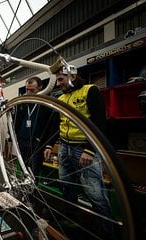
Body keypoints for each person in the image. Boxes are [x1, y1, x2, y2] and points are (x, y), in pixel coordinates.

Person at [43, 63, 113, 237]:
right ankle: (70, 219)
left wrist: (90, 150)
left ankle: (107, 232)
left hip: (83, 149)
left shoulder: (90, 90)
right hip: (65, 147)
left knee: (95, 193)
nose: (58, 83)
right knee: (67, 187)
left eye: (61, 79)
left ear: (72, 76)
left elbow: (100, 122)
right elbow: (55, 124)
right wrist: (50, 145)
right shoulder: (61, 98)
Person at [14, 77, 53, 182]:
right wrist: (12, 137)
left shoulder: (46, 103)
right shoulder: (22, 102)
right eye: (27, 89)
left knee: (34, 172)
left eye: (32, 90)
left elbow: (51, 125)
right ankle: (23, 191)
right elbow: (16, 121)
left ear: (40, 89)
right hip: (22, 140)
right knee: (23, 169)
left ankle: (32, 193)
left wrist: (49, 144)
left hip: (37, 142)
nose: (29, 93)